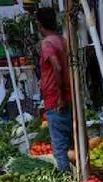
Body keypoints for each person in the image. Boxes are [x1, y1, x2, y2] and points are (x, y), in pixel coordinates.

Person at [36, 7, 72, 171]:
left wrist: (60, 96)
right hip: (69, 96)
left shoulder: (47, 43)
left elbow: (57, 67)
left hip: (56, 100)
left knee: (59, 148)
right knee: (71, 144)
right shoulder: (63, 40)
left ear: (39, 24)